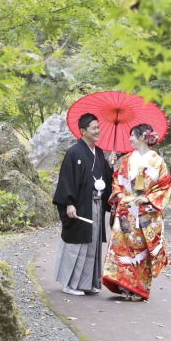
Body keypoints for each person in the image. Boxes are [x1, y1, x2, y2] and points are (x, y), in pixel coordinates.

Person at [102, 123, 171, 302]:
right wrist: (119, 193)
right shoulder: (126, 159)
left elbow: (164, 184)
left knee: (142, 250)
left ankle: (139, 289)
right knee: (123, 248)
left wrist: (148, 199)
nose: (130, 139)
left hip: (145, 212)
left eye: (132, 135)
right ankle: (124, 287)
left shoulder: (158, 161)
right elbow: (116, 181)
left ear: (142, 137)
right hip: (126, 210)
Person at [52, 112, 114, 296]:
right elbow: (66, 179)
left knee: (92, 243)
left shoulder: (99, 153)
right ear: (83, 131)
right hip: (80, 204)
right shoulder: (74, 152)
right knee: (77, 243)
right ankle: (69, 284)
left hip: (96, 204)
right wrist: (69, 203)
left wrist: (110, 166)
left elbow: (105, 178)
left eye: (98, 127)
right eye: (94, 128)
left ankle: (87, 283)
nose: (98, 131)